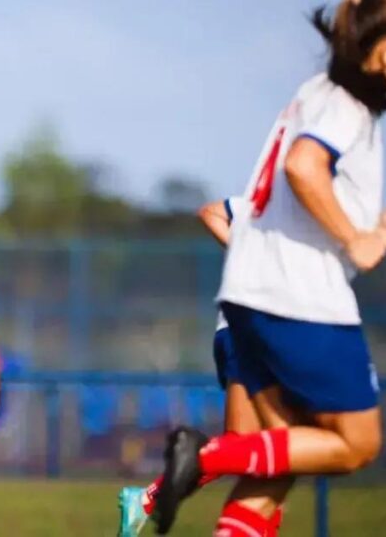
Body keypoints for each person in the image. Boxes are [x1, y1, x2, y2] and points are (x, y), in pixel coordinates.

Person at [153, 0, 386, 534]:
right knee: (358, 444)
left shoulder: (316, 94)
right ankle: (202, 458)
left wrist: (375, 228)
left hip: (252, 295)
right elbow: (303, 167)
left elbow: (303, 187)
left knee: (277, 468)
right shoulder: (347, 105)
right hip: (300, 299)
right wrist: (354, 238)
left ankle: (204, 460)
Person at [116, 197, 273, 537]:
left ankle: (149, 498)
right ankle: (151, 495)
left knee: (265, 458)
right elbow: (210, 211)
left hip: (247, 328)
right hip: (256, 329)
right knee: (261, 448)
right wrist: (262, 264)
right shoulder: (284, 200)